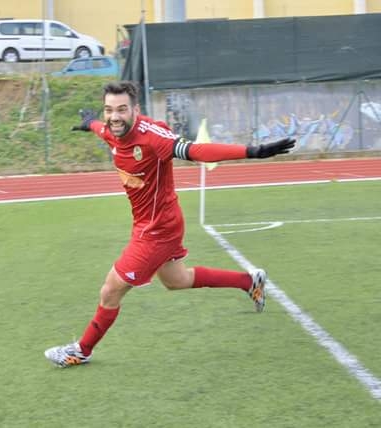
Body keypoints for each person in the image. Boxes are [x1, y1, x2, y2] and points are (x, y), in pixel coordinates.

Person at [45, 81, 295, 368]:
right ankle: (249, 281)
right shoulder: (113, 130)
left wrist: (253, 151)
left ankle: (81, 350)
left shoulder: (152, 138)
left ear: (135, 110)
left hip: (157, 230)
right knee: (177, 280)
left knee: (110, 290)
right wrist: (90, 123)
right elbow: (104, 130)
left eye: (122, 110)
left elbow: (197, 151)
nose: (114, 116)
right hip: (155, 222)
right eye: (108, 110)